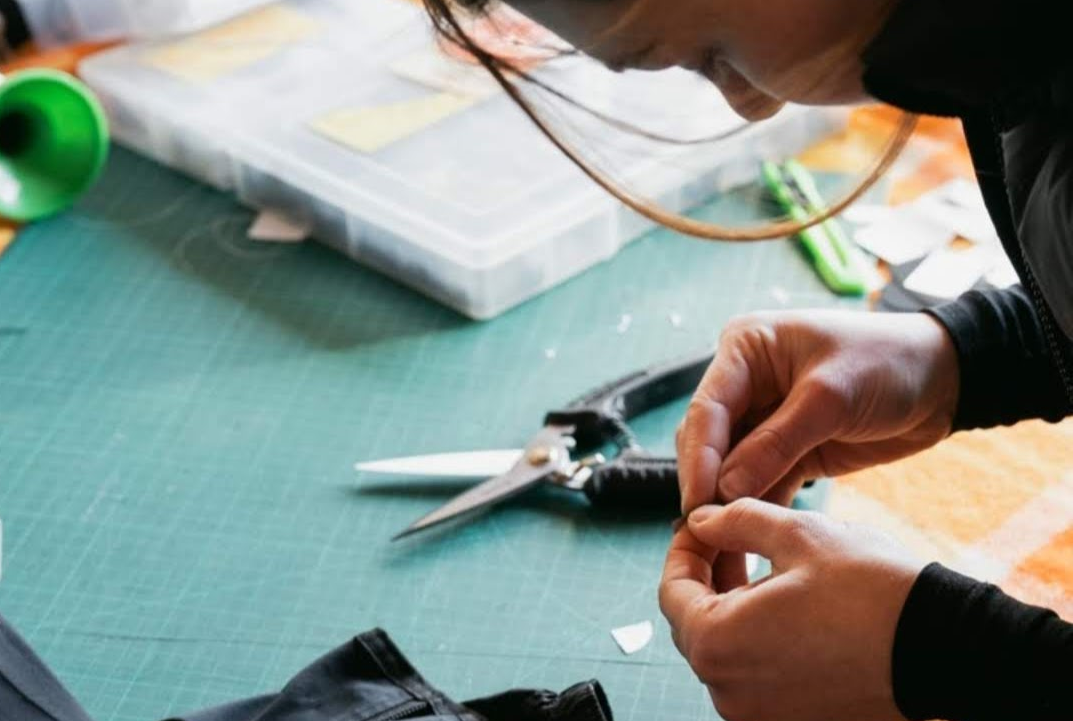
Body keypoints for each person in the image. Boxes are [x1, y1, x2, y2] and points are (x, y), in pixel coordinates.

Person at [419, 0, 1073, 719]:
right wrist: (964, 357)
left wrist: (949, 653)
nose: (750, 105)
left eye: (710, 53)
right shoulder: (1006, 50)